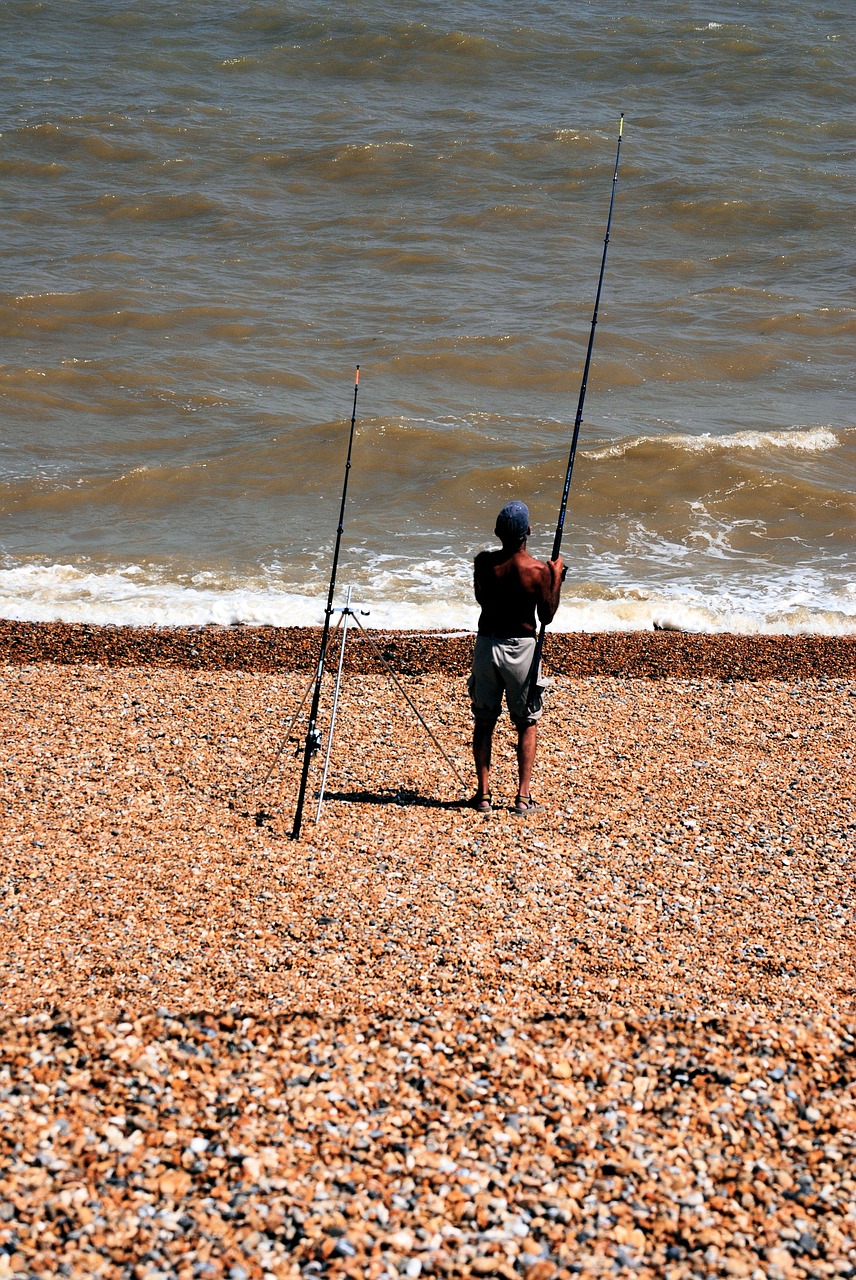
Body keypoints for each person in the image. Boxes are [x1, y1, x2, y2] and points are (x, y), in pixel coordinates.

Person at [468, 500, 564, 814]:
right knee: (526, 723)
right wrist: (556, 578)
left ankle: (483, 794)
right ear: (528, 532)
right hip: (521, 647)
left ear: (498, 532)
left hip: (487, 646)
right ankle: (522, 798)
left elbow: (482, 598)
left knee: (484, 719)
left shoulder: (483, 563)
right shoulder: (539, 571)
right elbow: (547, 615)